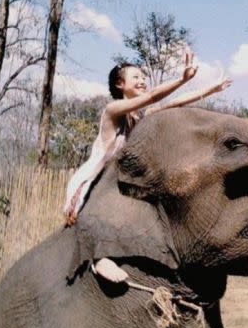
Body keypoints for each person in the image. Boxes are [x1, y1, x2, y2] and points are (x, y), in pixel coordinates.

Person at [63, 47, 232, 283]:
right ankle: (100, 259)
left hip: (121, 180)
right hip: (96, 179)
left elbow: (174, 104)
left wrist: (210, 89)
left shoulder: (140, 116)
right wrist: (183, 78)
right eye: (136, 77)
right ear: (120, 84)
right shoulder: (112, 111)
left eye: (143, 77)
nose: (142, 80)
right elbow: (152, 96)